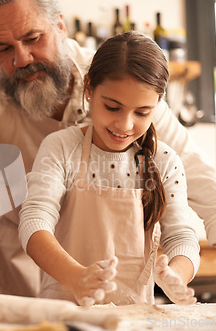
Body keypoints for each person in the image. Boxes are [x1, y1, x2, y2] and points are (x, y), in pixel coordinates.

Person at [0, 0, 216, 302]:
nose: (21, 59)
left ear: (60, 26)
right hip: (7, 251)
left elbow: (201, 177)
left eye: (33, 39)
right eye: (2, 48)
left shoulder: (116, 79)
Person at [19, 32, 199, 307]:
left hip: (135, 319)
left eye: (141, 112)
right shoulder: (61, 147)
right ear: (89, 89)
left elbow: (181, 236)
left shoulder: (165, 161)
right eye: (112, 107)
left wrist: (177, 275)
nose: (125, 124)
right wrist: (77, 278)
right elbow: (34, 222)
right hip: (63, 315)